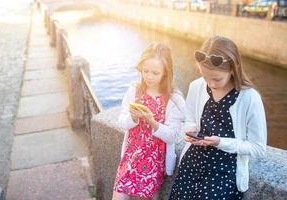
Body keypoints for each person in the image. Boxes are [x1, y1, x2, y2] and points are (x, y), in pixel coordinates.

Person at [169, 36, 267, 200]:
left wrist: (220, 142)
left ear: (233, 68)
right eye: (205, 76)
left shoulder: (250, 98)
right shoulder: (196, 86)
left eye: (217, 79)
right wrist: (191, 130)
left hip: (225, 170)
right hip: (192, 163)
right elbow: (189, 119)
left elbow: (258, 148)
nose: (211, 84)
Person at [112, 43, 186, 200]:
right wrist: (133, 118)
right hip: (131, 154)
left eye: (155, 73)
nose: (149, 76)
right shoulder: (134, 90)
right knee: (118, 194)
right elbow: (122, 122)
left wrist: (153, 122)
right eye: (145, 71)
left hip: (154, 160)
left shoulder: (174, 99)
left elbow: (173, 136)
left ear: (166, 73)